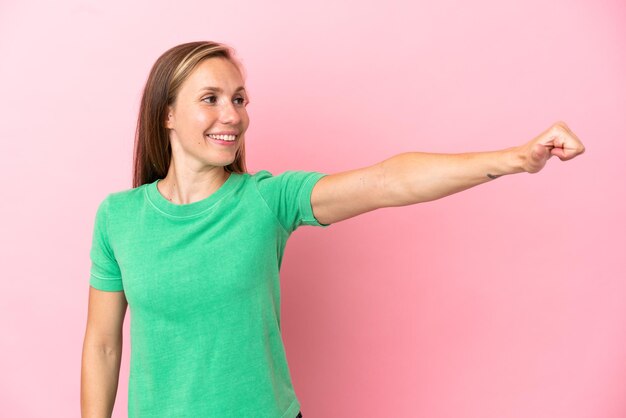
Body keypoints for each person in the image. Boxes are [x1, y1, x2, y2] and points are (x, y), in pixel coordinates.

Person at [80, 41, 585, 418]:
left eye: (239, 99)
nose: (231, 114)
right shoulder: (118, 217)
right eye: (210, 98)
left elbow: (388, 181)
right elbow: (103, 345)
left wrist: (518, 158)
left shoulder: (265, 200)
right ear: (167, 113)